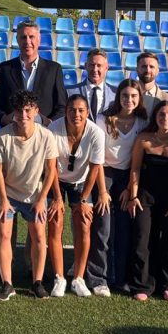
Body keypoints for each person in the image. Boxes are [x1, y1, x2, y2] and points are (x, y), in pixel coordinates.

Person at [0, 90, 59, 301]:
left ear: (36, 111)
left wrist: (42, 199)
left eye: (28, 110)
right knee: (4, 234)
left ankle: (37, 282)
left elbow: (51, 170)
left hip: (34, 195)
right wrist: (3, 200)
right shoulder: (4, 135)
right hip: (9, 193)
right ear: (14, 113)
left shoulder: (46, 136)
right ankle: (7, 284)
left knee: (39, 236)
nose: (23, 115)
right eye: (19, 111)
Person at [125, 101, 168, 301]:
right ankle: (142, 285)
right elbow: (135, 169)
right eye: (161, 114)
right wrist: (134, 196)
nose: (165, 118)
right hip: (145, 196)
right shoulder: (144, 139)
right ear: (155, 117)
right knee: (142, 239)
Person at [47, 95, 106, 297]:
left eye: (81, 110)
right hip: (55, 180)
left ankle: (78, 278)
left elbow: (95, 168)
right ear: (66, 111)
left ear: (87, 112)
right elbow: (51, 167)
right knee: (55, 221)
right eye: (72, 109)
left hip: (81, 182)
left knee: (84, 223)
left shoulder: (96, 133)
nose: (76, 114)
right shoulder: (53, 129)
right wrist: (57, 197)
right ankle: (59, 277)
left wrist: (83, 200)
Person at [93, 79, 149, 295]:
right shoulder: (103, 119)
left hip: (127, 177)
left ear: (139, 98)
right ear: (118, 97)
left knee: (125, 229)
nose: (129, 100)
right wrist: (103, 191)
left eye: (134, 96)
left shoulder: (142, 122)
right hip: (104, 174)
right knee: (103, 227)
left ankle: (121, 278)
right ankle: (99, 278)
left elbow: (137, 162)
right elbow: (97, 159)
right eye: (125, 95)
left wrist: (130, 188)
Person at [0, 20, 67, 127]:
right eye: (23, 37)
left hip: (44, 132)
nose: (27, 41)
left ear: (39, 39)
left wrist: (49, 122)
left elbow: (62, 106)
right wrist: (4, 119)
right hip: (13, 131)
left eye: (31, 37)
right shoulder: (4, 69)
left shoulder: (54, 69)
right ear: (17, 40)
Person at [68, 49, 116, 122]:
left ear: (106, 68)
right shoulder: (70, 92)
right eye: (92, 65)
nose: (95, 69)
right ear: (86, 66)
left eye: (99, 65)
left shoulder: (115, 93)